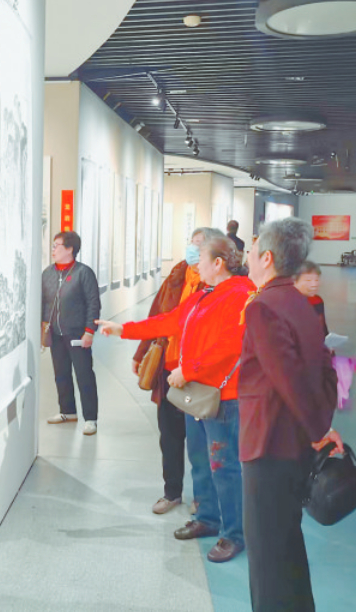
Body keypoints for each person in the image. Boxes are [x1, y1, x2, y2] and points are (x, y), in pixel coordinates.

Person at [97, 232, 255, 563]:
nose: (195, 263)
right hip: (196, 394)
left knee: (224, 466)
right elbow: (169, 321)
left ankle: (234, 535)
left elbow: (230, 344)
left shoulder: (241, 294)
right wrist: (124, 329)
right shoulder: (204, 294)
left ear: (218, 263)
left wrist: (190, 370)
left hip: (221, 397)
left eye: (200, 257)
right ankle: (208, 518)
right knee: (201, 461)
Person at [240, 217, 341, 612]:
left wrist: (318, 431)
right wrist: (320, 425)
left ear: (266, 257)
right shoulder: (300, 302)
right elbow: (322, 367)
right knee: (286, 545)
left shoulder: (262, 306)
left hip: (269, 442)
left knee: (267, 555)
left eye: (252, 250)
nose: (247, 257)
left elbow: (289, 379)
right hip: (293, 441)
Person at [131, 228, 208, 515]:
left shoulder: (215, 285)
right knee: (170, 435)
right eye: (192, 243)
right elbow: (156, 317)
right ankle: (171, 492)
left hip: (197, 374)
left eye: (200, 245)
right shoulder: (176, 277)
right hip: (167, 368)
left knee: (200, 441)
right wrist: (141, 353)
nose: (193, 249)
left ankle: (203, 497)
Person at [41, 231, 101, 436]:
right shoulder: (48, 273)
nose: (53, 249)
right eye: (53, 245)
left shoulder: (83, 273)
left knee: (84, 375)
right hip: (55, 333)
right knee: (61, 373)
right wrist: (42, 327)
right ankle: (67, 411)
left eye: (56, 245)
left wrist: (89, 331)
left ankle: (90, 418)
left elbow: (93, 304)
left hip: (77, 334)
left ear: (69, 249)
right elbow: (43, 303)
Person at [294, 260, 329, 337]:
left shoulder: (317, 300)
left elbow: (323, 329)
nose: (314, 284)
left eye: (316, 280)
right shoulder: (288, 303)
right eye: (308, 280)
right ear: (295, 282)